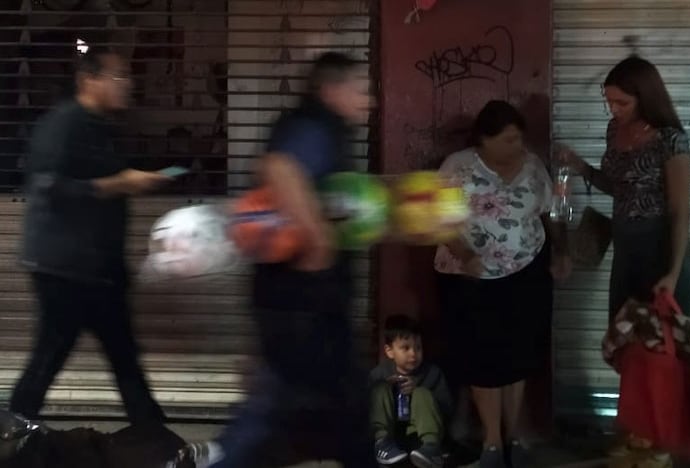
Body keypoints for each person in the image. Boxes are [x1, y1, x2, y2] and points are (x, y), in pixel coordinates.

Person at [171, 52, 375, 468]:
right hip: (302, 302)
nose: (369, 99)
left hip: (298, 301)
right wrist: (318, 244)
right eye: (361, 88)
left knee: (315, 406)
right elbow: (280, 168)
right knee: (298, 405)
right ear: (331, 88)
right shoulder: (313, 126)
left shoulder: (323, 128)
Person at [12, 48, 170, 425]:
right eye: (118, 77)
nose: (127, 85)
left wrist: (131, 182)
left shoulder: (104, 128)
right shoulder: (64, 122)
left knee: (122, 356)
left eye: (127, 77)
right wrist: (119, 183)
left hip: (98, 269)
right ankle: (11, 434)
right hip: (64, 268)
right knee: (51, 358)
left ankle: (154, 437)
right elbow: (48, 185)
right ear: (89, 80)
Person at [563, 55, 690, 466]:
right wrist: (581, 167)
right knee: (627, 349)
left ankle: (661, 441)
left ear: (645, 96)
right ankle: (637, 433)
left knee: (661, 356)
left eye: (621, 102)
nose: (614, 110)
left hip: (663, 254)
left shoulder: (671, 140)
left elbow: (679, 212)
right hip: (627, 253)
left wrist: (672, 273)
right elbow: (619, 188)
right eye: (609, 102)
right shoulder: (614, 131)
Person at [434, 100, 571, 468]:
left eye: (519, 139)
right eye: (509, 140)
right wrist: (465, 254)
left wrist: (561, 251)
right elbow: (438, 219)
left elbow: (552, 213)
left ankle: (514, 437)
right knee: (483, 359)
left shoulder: (532, 166)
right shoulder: (458, 167)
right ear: (485, 139)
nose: (518, 147)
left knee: (518, 357)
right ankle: (491, 443)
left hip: (526, 272)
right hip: (472, 277)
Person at [370, 314, 453, 468]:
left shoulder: (432, 373)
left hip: (420, 435)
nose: (413, 354)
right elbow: (365, 406)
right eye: (405, 348)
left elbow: (446, 408)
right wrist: (388, 388)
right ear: (390, 351)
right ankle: (382, 445)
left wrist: (417, 390)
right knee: (379, 389)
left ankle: (431, 449)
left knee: (422, 394)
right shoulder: (380, 373)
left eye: (418, 348)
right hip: (392, 433)